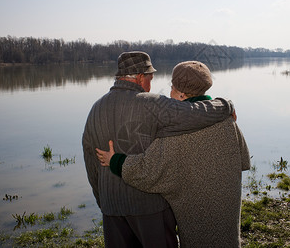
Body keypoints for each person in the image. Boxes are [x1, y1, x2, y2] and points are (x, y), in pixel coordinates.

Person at [82, 52, 235, 248]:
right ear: (139, 77)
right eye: (150, 78)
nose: (150, 84)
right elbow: (196, 113)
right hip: (150, 208)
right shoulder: (152, 103)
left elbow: (90, 161)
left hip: (112, 208)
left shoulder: (95, 109)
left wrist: (103, 201)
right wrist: (226, 105)